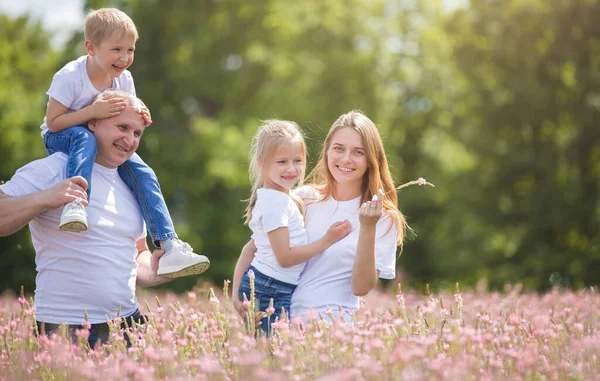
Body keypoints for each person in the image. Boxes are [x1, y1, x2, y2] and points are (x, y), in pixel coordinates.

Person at [0, 91, 179, 346]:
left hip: (125, 326)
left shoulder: (133, 183)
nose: (129, 140)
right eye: (122, 127)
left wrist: (158, 271)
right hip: (61, 329)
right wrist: (45, 198)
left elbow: (136, 256)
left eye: (137, 133)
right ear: (93, 122)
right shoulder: (54, 168)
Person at [40, 8, 208, 278]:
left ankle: (168, 245)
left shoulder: (124, 78)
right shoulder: (70, 76)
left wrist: (139, 113)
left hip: (101, 138)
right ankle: (75, 204)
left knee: (143, 171)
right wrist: (91, 113)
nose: (124, 58)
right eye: (116, 49)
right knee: (84, 138)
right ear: (91, 47)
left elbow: (126, 113)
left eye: (130, 50)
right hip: (65, 134)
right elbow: (53, 123)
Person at [232, 111, 408, 324]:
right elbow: (253, 248)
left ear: (371, 159)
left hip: (332, 329)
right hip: (282, 323)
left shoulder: (382, 218)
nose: (345, 159)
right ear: (326, 151)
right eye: (338, 148)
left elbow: (360, 288)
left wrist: (367, 227)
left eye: (358, 152)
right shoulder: (303, 199)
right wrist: (236, 298)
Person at [231, 120, 351, 333]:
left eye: (297, 160)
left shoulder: (281, 198)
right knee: (272, 354)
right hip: (269, 288)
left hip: (269, 286)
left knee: (274, 350)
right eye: (282, 162)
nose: (291, 168)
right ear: (261, 163)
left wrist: (235, 293)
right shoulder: (275, 203)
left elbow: (249, 248)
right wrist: (327, 240)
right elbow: (284, 258)